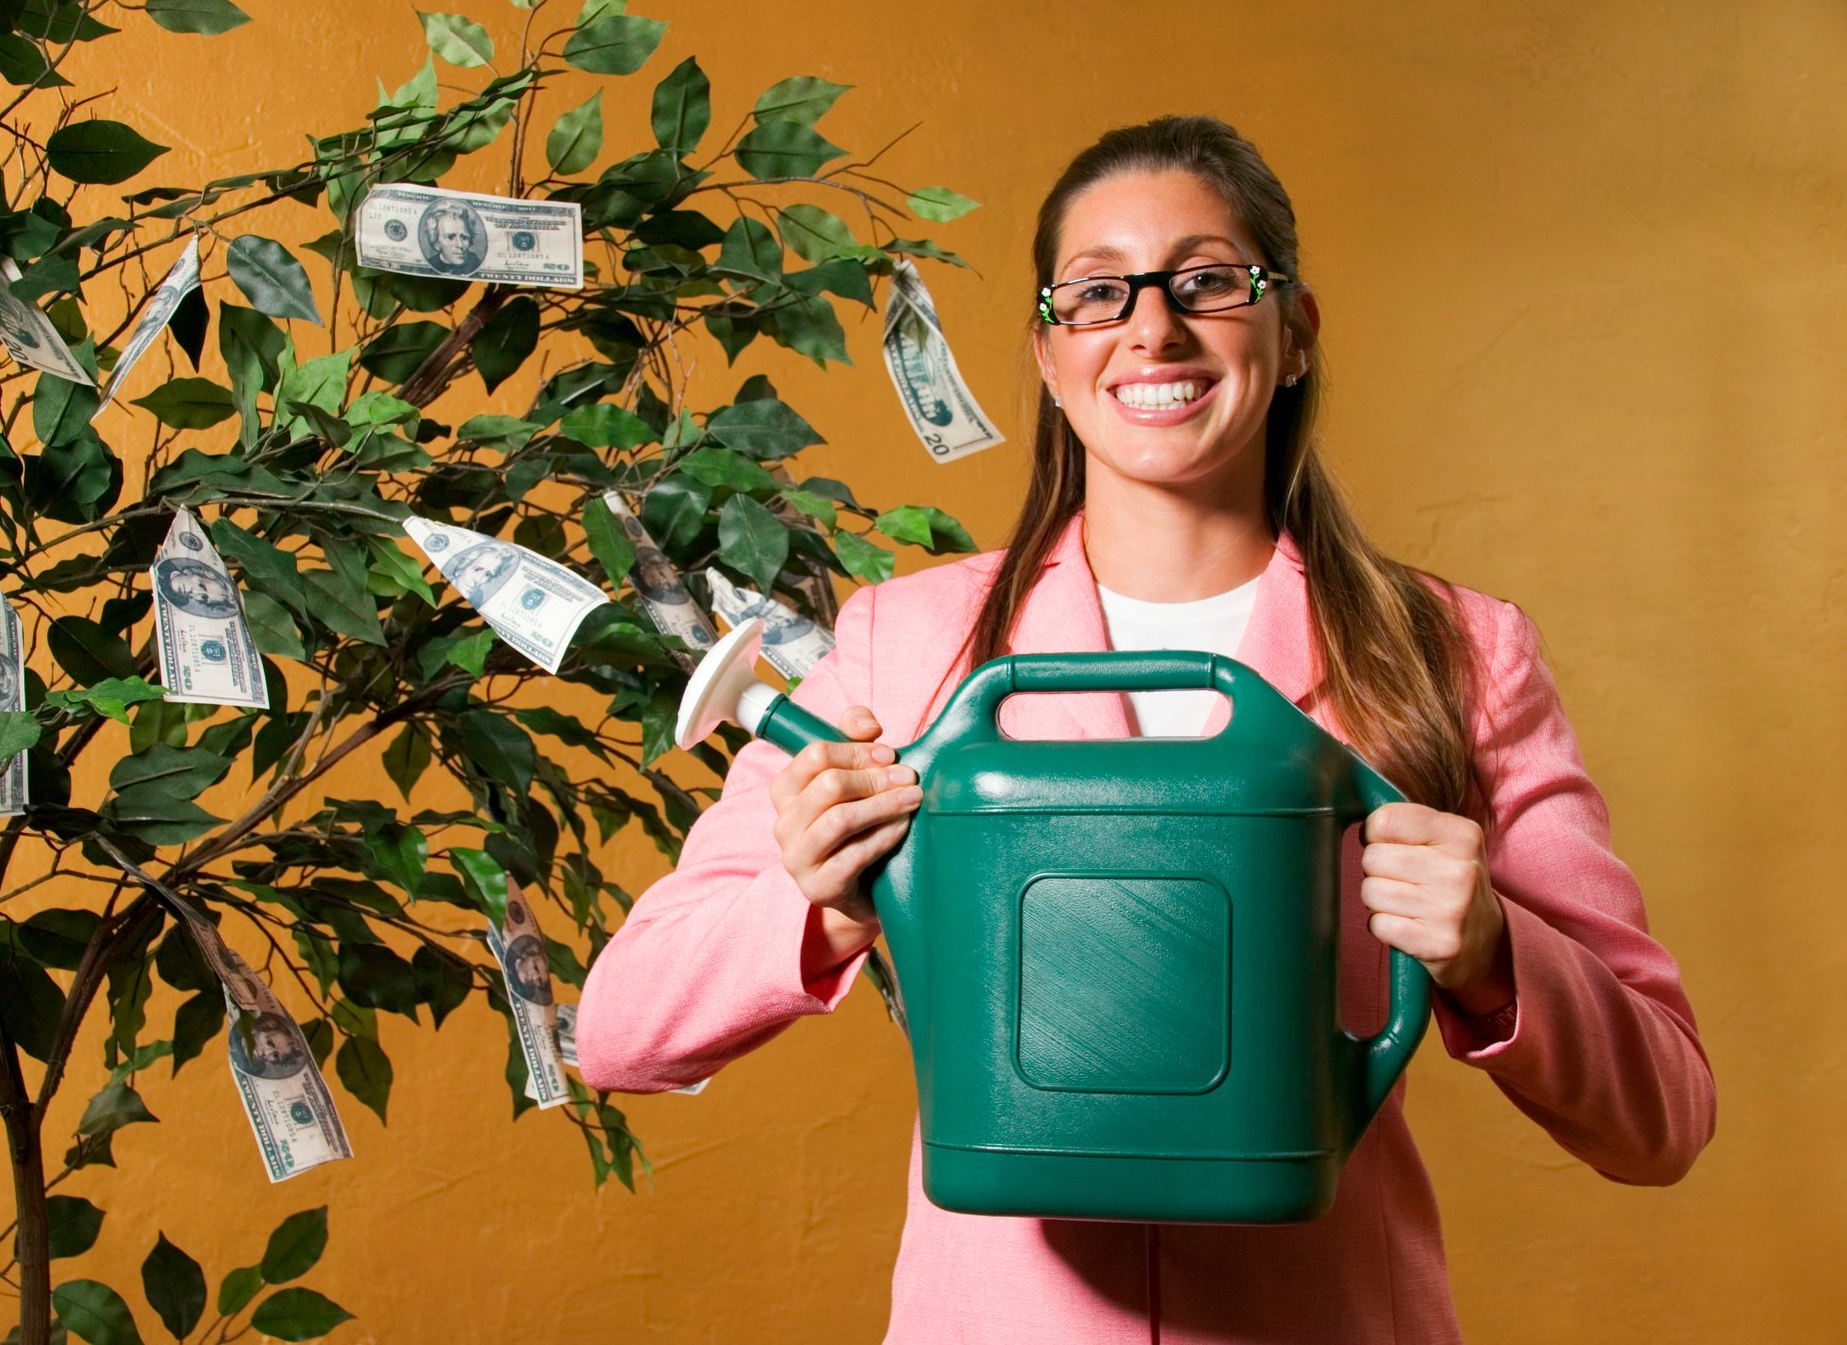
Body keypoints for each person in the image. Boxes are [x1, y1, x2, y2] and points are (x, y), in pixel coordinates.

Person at [574, 116, 1715, 1342]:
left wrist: (1494, 950)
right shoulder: (907, 644)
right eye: (1098, 291)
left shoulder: (1450, 653)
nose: (1151, 328)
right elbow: (621, 1030)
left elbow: (1661, 1120)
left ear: (1293, 335)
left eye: (1209, 280)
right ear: (1051, 356)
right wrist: (826, 901)